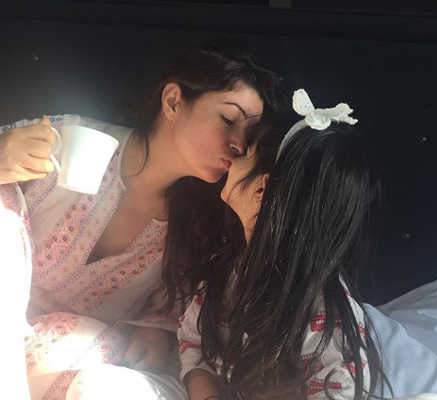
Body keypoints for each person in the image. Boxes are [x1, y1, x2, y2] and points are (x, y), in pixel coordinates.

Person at [0, 37, 286, 399]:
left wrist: (154, 332)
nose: (239, 143)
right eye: (229, 119)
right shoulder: (67, 139)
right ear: (173, 101)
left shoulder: (200, 227)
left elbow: (176, 313)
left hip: (67, 346)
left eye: (248, 134)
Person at [177, 89, 437, 400]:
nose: (232, 156)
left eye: (244, 153)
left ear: (261, 192)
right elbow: (194, 346)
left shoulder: (326, 325)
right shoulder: (225, 273)